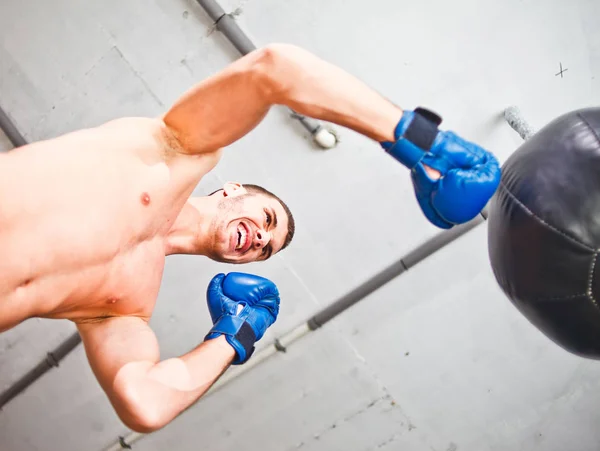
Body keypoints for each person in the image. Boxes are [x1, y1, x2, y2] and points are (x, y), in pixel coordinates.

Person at [0, 43, 500, 432]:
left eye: (267, 247)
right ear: (232, 190)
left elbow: (145, 405)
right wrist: (422, 145)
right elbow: (274, 69)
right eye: (266, 219)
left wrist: (235, 334)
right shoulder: (175, 152)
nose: (260, 238)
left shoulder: (126, 306)